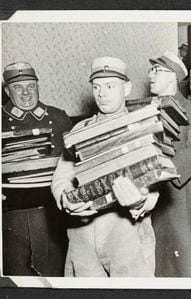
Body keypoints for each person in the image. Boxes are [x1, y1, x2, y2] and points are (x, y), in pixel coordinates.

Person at [51, 57, 160, 277]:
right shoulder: (80, 131)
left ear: (126, 88)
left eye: (110, 86)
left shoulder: (143, 126)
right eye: (96, 87)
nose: (102, 93)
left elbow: (157, 179)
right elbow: (62, 175)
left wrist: (142, 200)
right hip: (81, 233)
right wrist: (64, 198)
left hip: (125, 230)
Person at [2, 62, 73, 276]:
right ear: (7, 91)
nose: (26, 93)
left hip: (52, 208)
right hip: (11, 209)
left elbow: (76, 161)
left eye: (31, 86)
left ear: (38, 86)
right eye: (18, 87)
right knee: (17, 270)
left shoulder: (58, 117)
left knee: (53, 270)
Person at [148, 52, 191, 277]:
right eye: (151, 70)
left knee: (181, 258)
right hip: (144, 188)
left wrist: (163, 170)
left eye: (157, 71)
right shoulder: (144, 108)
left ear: (173, 77)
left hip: (178, 192)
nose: (151, 75)